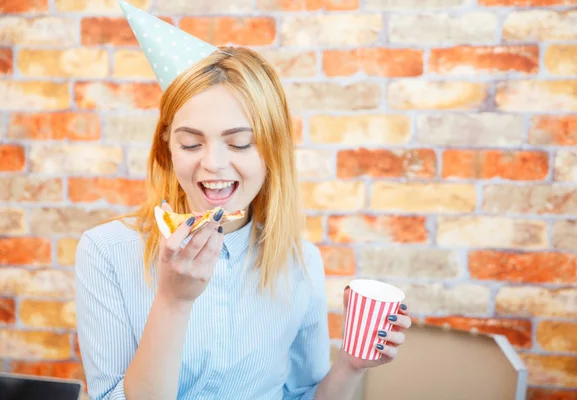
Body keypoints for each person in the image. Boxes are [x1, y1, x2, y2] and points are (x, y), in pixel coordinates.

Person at [74, 2, 412, 400]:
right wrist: (172, 300)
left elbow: (303, 395)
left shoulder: (300, 262)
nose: (213, 164)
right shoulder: (106, 251)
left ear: (271, 150)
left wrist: (351, 366)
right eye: (191, 142)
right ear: (167, 146)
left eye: (239, 143)